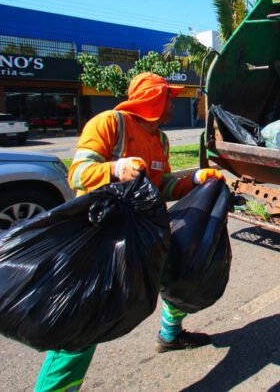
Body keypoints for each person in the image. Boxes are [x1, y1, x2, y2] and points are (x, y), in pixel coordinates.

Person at [35, 72, 224, 392]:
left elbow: (160, 186)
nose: (172, 104)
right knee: (84, 322)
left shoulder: (159, 139)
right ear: (152, 99)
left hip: (143, 231)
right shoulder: (109, 124)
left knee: (180, 271)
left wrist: (194, 180)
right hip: (101, 238)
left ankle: (171, 334)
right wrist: (114, 169)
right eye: (168, 97)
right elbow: (77, 174)